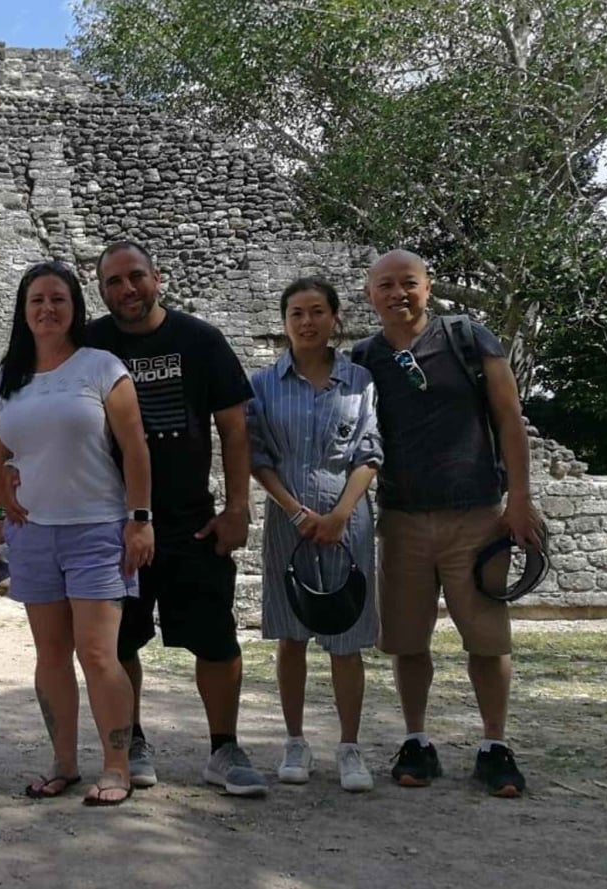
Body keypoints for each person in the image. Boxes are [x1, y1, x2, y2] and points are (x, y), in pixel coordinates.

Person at [354, 249, 541, 797]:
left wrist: (520, 499)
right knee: (408, 641)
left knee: (487, 639)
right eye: (385, 286)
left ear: (427, 287)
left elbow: (508, 417)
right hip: (404, 518)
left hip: (476, 514)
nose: (397, 294)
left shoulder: (467, 337)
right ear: (370, 295)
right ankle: (416, 739)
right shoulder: (366, 357)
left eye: (407, 283)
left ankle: (494, 744)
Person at [83, 240, 266, 796]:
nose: (126, 290)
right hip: (112, 522)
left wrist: (238, 508)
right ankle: (132, 738)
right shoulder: (89, 345)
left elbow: (235, 431)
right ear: (101, 290)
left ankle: (223, 746)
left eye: (135, 277)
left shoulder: (199, 340)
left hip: (192, 521)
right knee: (120, 642)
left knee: (216, 639)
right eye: (113, 282)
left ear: (157, 278)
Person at [0, 262, 154, 806]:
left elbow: (135, 448)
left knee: (99, 654)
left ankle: (117, 765)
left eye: (58, 298)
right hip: (34, 533)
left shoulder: (101, 367)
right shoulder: (10, 374)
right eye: (36, 300)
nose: (47, 309)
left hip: (96, 529)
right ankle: (63, 762)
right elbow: (2, 445)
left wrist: (140, 518)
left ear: (74, 307)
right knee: (50, 654)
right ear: (23, 309)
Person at [247, 277, 381, 792]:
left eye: (317, 312)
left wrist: (342, 513)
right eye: (297, 313)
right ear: (284, 322)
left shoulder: (360, 381)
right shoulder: (262, 385)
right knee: (292, 635)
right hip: (288, 522)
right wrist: (296, 511)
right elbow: (257, 456)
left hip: (349, 521)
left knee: (345, 638)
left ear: (334, 318)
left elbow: (369, 453)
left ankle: (349, 745)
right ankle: (295, 740)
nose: (307, 322)